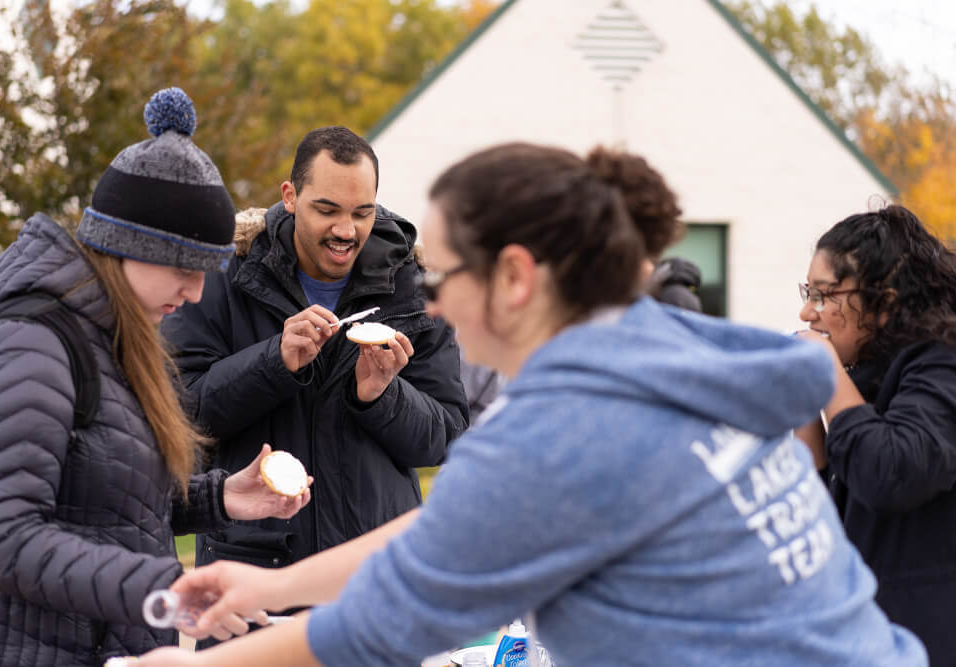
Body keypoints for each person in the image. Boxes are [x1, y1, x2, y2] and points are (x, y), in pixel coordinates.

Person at [136, 143, 926, 666]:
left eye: (441, 278)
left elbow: (390, 618)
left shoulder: (567, 428)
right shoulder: (664, 345)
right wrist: (268, 588)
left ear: (514, 277)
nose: (431, 306)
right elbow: (456, 527)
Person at [0, 88, 311, 666]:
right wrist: (166, 588)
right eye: (184, 266)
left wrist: (221, 497)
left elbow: (103, 503)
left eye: (208, 271)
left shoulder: (114, 341)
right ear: (127, 246)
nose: (196, 292)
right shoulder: (33, 345)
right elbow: (4, 539)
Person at [159, 126, 468, 619]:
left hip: (377, 585)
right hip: (254, 582)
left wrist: (380, 397)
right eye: (327, 210)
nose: (346, 230)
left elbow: (446, 438)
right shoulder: (225, 278)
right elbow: (180, 414)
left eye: (361, 212)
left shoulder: (411, 286)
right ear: (290, 196)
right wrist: (274, 362)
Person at [793, 204, 956, 665]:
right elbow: (815, 521)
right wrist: (803, 404)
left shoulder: (943, 362)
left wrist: (824, 369)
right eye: (808, 292)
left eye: (825, 295)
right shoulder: (867, 377)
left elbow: (890, 472)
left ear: (884, 304)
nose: (807, 311)